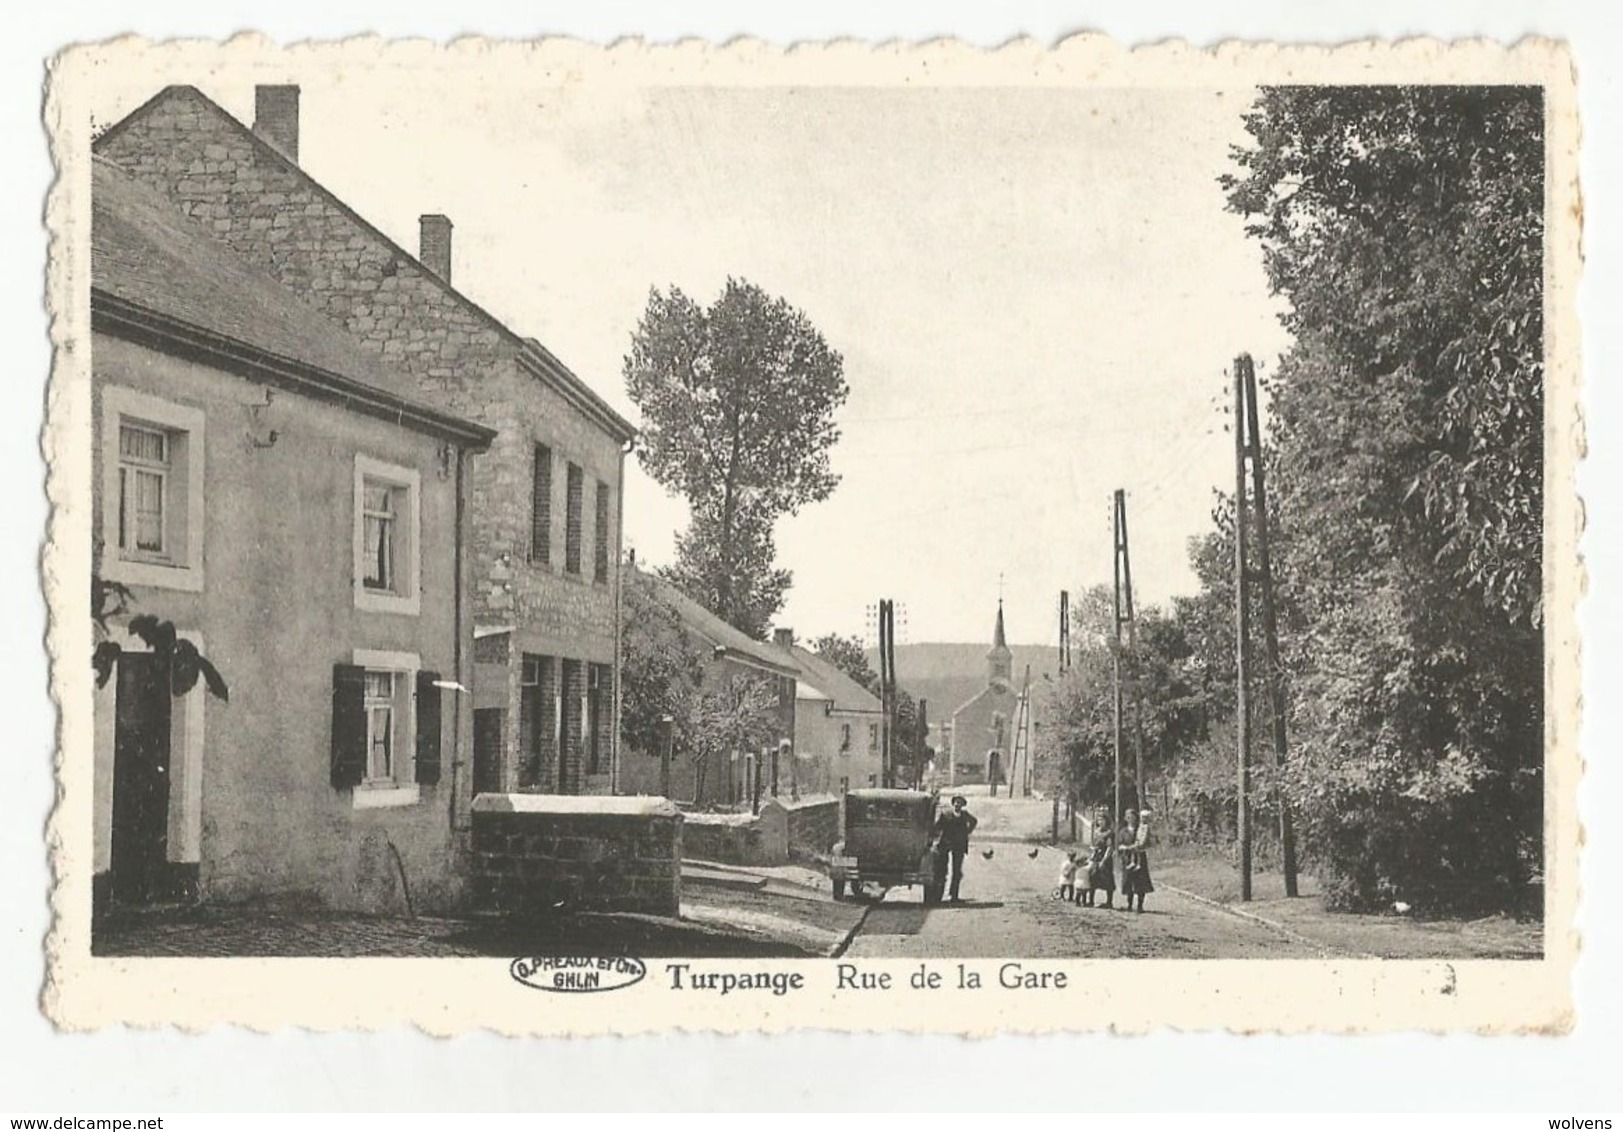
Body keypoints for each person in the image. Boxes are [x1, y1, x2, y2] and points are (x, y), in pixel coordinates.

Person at [932, 795, 979, 903]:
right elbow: (937, 827)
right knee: (942, 870)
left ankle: (954, 895)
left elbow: (974, 821)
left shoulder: (965, 815)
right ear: (953, 804)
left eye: (960, 803)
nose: (957, 805)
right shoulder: (945, 815)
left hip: (959, 846)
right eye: (956, 803)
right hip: (946, 844)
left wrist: (967, 831)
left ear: (962, 805)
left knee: (957, 871)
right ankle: (938, 895)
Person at [1119, 807, 1155, 913]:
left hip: (1140, 857)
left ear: (1136, 818)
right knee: (1128, 881)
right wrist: (1123, 850)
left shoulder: (1142, 829)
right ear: (1126, 818)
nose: (1130, 819)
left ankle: (1140, 905)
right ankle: (1129, 904)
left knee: (1140, 882)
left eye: (1133, 816)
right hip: (1127, 858)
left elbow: (1147, 842)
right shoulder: (1123, 831)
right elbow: (1119, 844)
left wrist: (1140, 846)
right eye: (1128, 817)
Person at [1083, 807, 1115, 908]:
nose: (1101, 822)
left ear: (1107, 821)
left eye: (1103, 820)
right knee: (1092, 877)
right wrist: (1091, 857)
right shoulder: (1096, 832)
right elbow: (1094, 846)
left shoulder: (1109, 833)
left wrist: (1104, 860)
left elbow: (1110, 847)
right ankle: (1090, 900)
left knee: (1107, 879)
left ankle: (1109, 902)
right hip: (1096, 857)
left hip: (1105, 857)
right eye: (1099, 820)